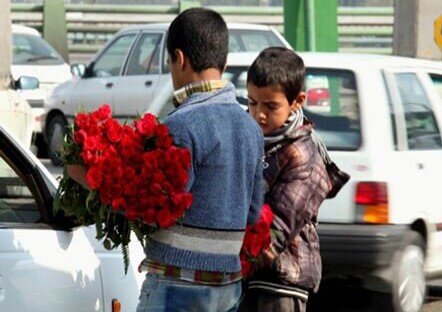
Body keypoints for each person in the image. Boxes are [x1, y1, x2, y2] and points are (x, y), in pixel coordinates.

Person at [136, 8, 264, 312]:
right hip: (228, 286)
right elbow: (254, 211)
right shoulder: (251, 129)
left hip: (178, 284)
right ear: (224, 62)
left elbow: (159, 210)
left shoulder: (180, 126)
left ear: (179, 58)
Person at [239, 47, 333, 312]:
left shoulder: (304, 155)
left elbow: (276, 229)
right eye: (252, 102)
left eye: (271, 106)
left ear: (297, 101)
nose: (259, 114)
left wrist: (226, 258)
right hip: (248, 279)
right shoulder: (250, 139)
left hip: (281, 285)